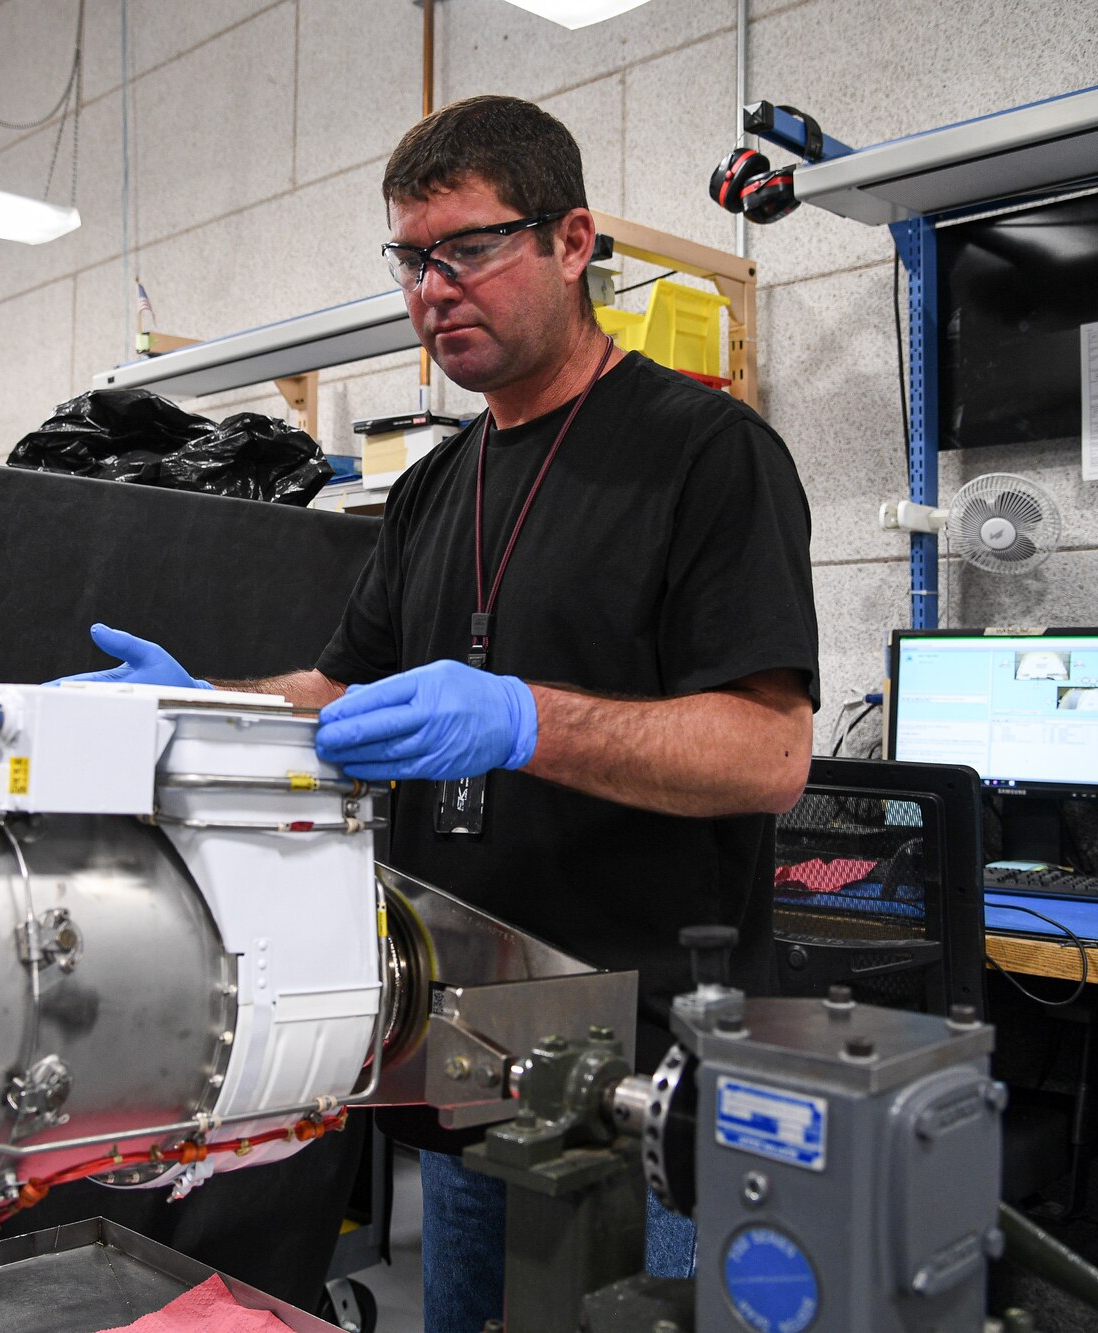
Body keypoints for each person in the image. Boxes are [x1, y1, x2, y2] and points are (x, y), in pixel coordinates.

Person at [60, 95, 819, 1332]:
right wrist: (193, 705)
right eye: (410, 259)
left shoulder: (705, 454)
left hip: (648, 1075)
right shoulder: (431, 487)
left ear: (571, 242)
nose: (431, 289)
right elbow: (338, 689)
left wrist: (526, 720)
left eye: (466, 250)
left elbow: (771, 752)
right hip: (468, 1057)